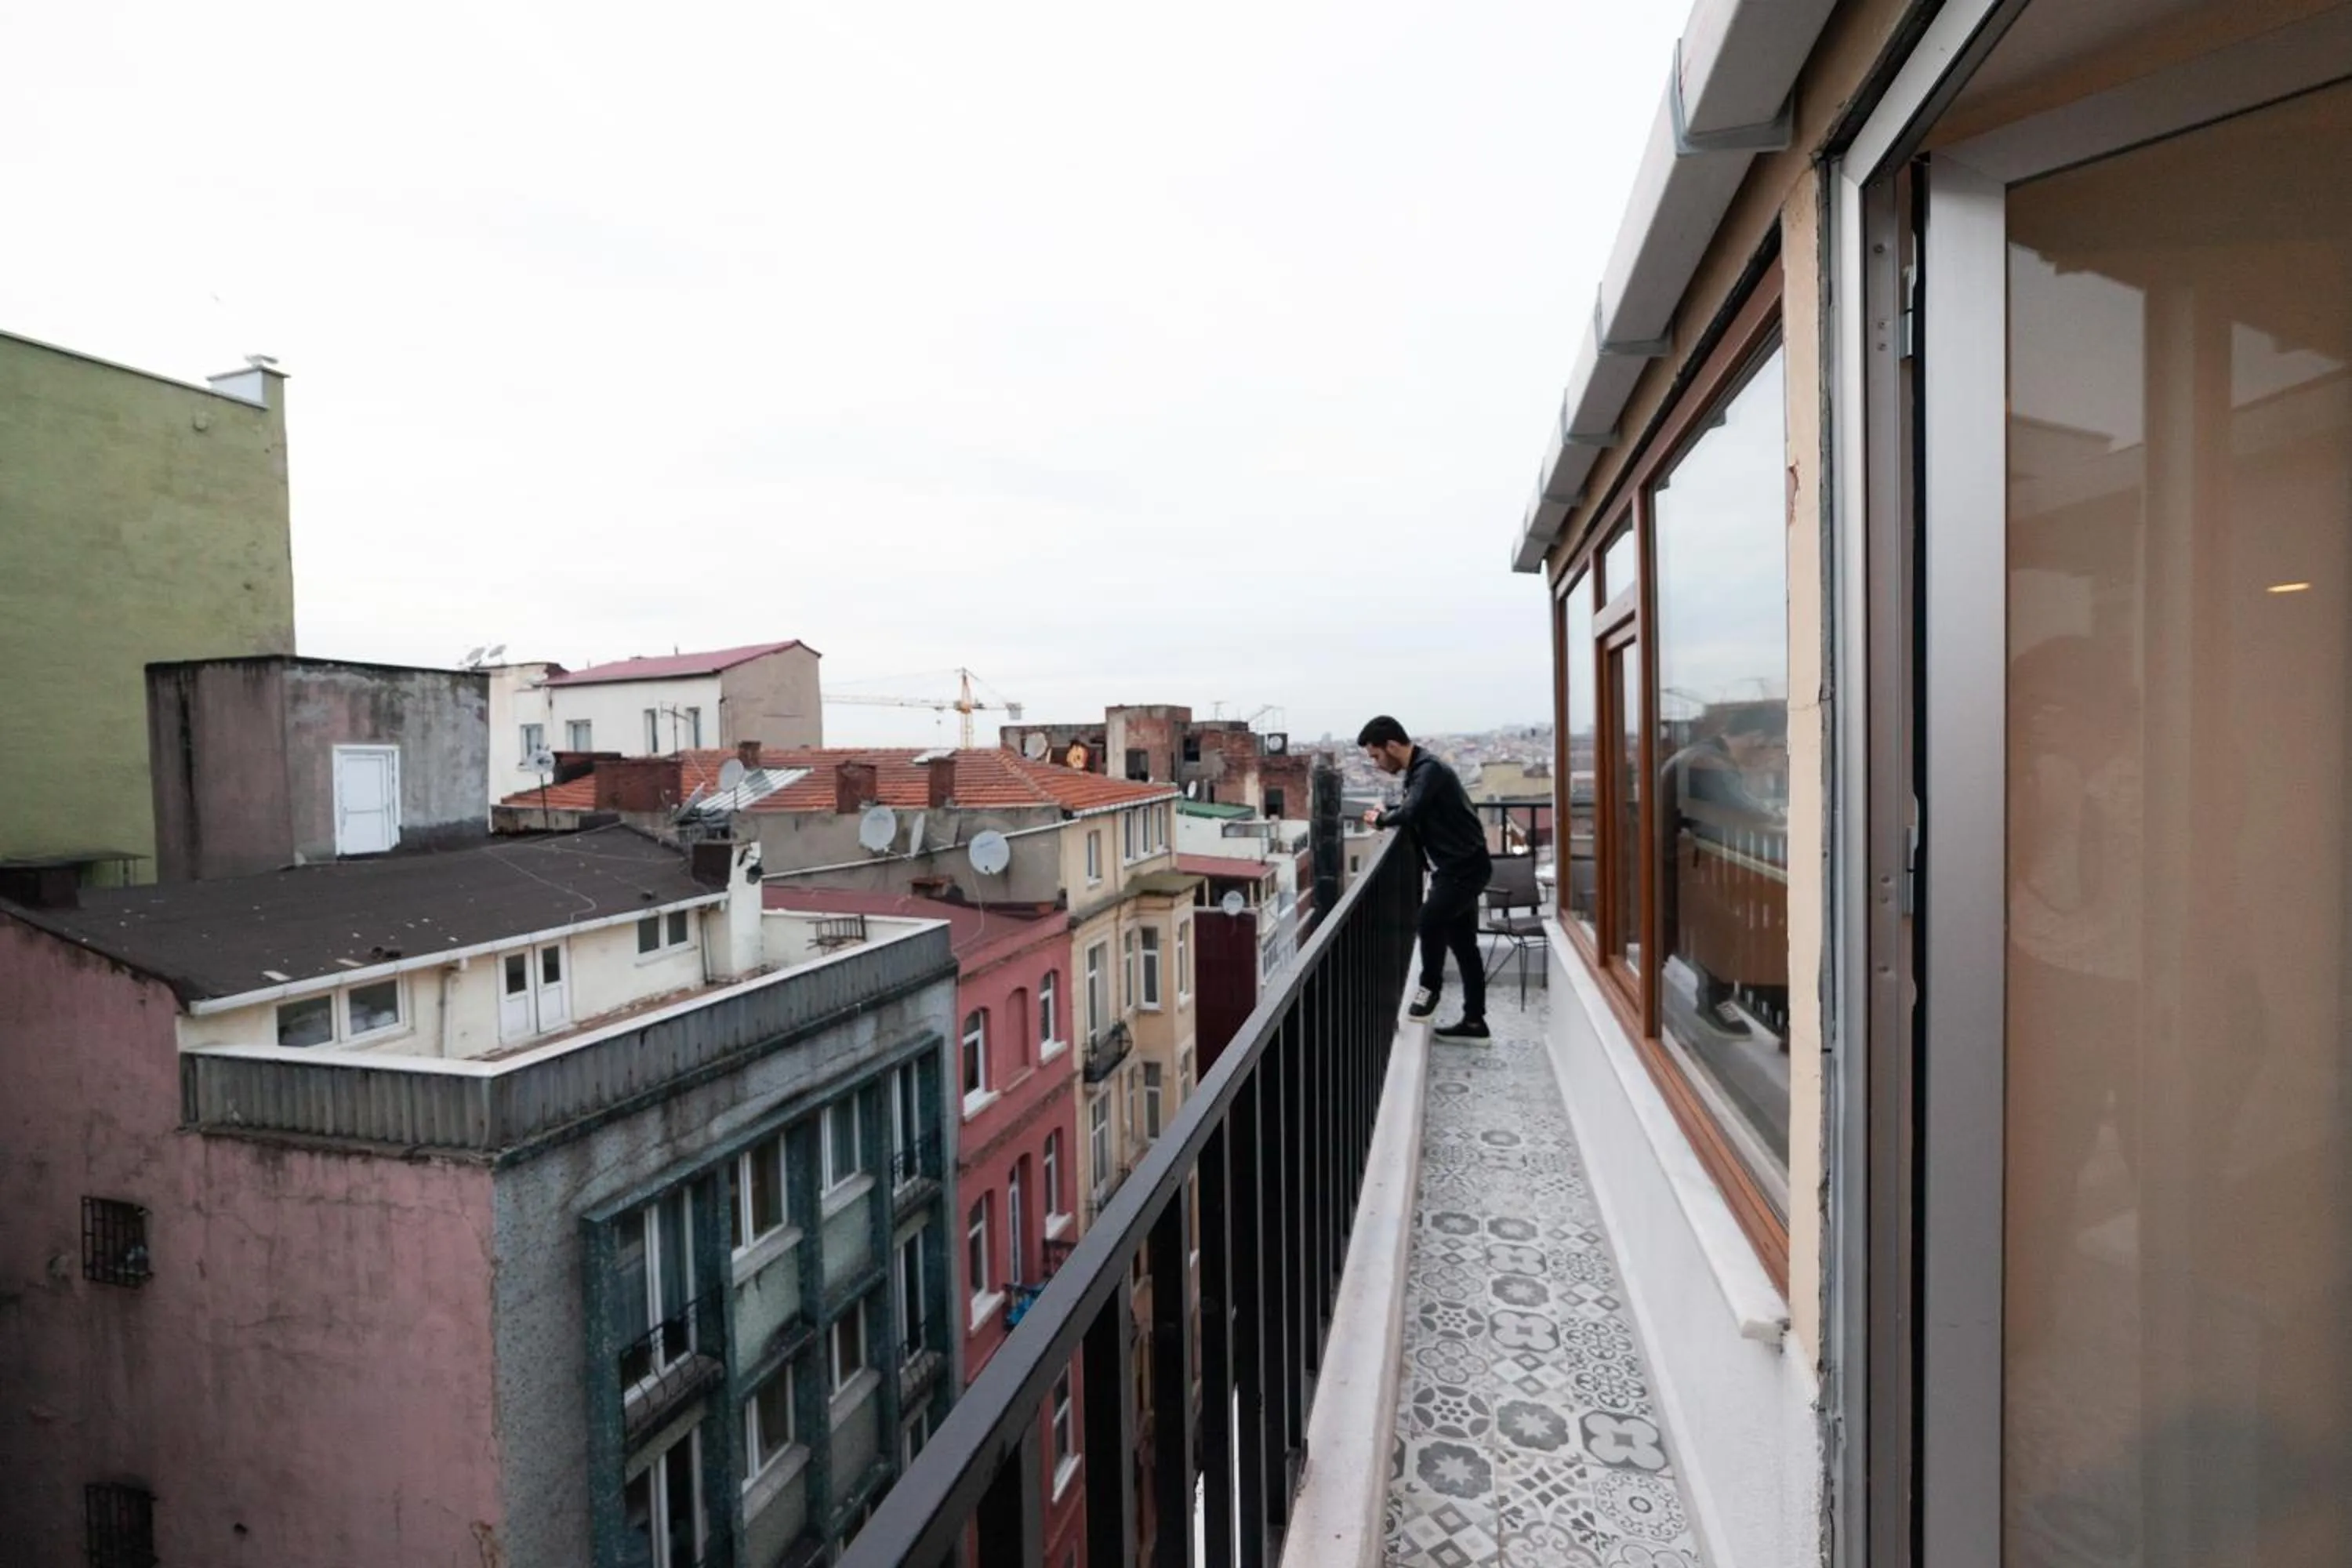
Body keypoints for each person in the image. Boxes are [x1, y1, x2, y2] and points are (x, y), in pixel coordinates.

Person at [1359, 716, 1493, 1038]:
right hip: (1460, 867)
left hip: (1462, 869)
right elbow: (1413, 806)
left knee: (1429, 921)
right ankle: (1475, 1021)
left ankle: (1429, 989)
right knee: (1464, 946)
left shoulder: (1429, 769)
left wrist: (1381, 820)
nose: (1376, 764)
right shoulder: (1422, 771)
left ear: (1392, 746)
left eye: (1376, 756)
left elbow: (1410, 812)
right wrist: (1388, 811)